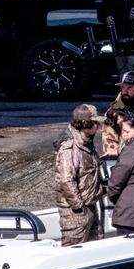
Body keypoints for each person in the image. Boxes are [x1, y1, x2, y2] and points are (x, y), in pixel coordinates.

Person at [53, 105, 105, 245]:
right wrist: (79, 207)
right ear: (84, 123)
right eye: (95, 123)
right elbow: (66, 180)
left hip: (91, 205)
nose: (99, 126)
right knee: (73, 250)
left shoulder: (87, 143)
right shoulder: (69, 148)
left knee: (94, 250)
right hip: (75, 213)